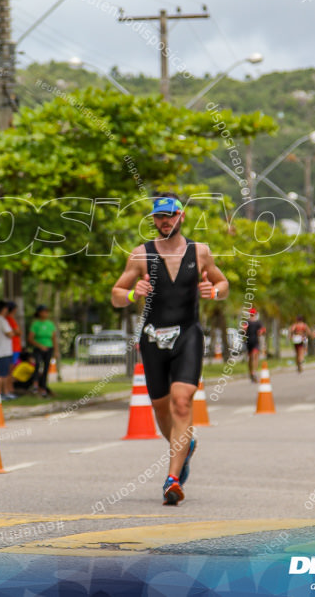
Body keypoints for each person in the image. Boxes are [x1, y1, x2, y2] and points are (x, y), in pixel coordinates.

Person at [111, 192, 229, 506]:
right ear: (153, 220)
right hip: (152, 340)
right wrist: (132, 293)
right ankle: (184, 446)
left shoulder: (200, 251)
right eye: (159, 217)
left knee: (181, 403)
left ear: (182, 216)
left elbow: (223, 283)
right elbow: (116, 294)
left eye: (170, 215)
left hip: (188, 335)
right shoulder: (141, 255)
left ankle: (172, 479)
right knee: (162, 409)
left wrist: (213, 291)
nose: (165, 221)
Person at [28, 305, 58, 397]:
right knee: (37, 365)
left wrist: (56, 351)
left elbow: (54, 338)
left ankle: (44, 387)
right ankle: (35, 385)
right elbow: (30, 338)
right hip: (38, 348)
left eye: (47, 311)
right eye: (44, 311)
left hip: (49, 348)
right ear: (39, 313)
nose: (46, 313)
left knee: (46, 368)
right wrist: (40, 346)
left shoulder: (50, 324)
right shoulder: (35, 324)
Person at [0, 300, 16, 400]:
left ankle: (4, 393)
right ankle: (0, 393)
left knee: (4, 373)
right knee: (2, 374)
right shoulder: (1, 320)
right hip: (2, 352)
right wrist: (15, 331)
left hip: (2, 351)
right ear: (4, 309)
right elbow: (10, 333)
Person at [243, 308, 265, 382]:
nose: (252, 316)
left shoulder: (258, 322)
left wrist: (261, 332)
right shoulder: (248, 322)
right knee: (251, 358)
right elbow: (244, 329)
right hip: (249, 342)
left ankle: (254, 371)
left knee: (254, 356)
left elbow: (263, 329)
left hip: (255, 341)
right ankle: (251, 372)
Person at [5, 300, 22, 366]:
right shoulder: (10, 319)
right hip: (14, 347)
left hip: (13, 347)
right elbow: (18, 332)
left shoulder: (7, 319)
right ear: (14, 309)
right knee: (13, 366)